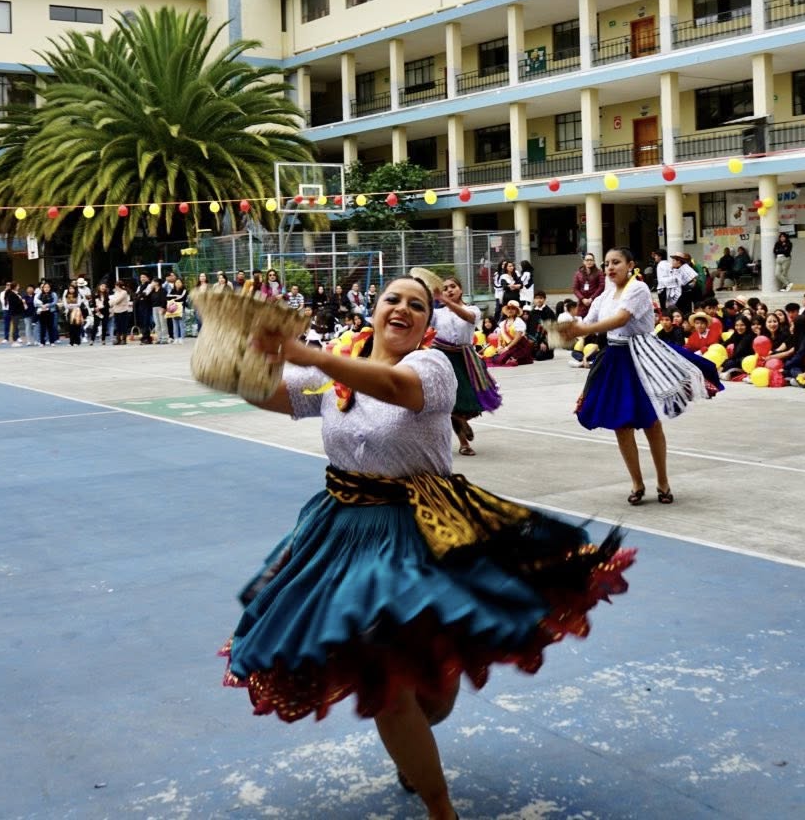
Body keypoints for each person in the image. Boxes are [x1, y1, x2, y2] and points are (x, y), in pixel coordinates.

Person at [223, 276, 633, 817]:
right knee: (389, 686)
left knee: (432, 697)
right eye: (391, 297)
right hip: (345, 534)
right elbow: (266, 391)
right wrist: (233, 354)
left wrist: (305, 352)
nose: (403, 308)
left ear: (426, 322)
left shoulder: (432, 367)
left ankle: (416, 744)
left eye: (417, 305)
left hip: (427, 529)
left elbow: (392, 389)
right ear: (372, 309)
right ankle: (441, 807)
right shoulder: (334, 373)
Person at [563, 247, 719, 505]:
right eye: (607, 263)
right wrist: (569, 327)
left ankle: (663, 482)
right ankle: (637, 483)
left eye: (616, 262)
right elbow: (585, 321)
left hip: (643, 358)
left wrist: (586, 327)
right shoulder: (604, 295)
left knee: (651, 423)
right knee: (621, 426)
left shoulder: (638, 288)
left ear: (630, 264)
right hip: (614, 359)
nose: (611, 267)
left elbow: (621, 319)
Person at [429, 274, 501, 456]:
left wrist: (443, 299)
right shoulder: (437, 314)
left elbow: (467, 317)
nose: (449, 290)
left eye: (452, 286)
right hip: (442, 358)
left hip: (465, 358)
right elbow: (421, 320)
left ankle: (460, 419)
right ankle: (463, 443)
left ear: (460, 289)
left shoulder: (473, 310)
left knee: (467, 400)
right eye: (444, 288)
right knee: (447, 401)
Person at [487, 301, 534, 367]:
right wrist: (499, 346)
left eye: (513, 308)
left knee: (504, 360)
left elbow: (517, 339)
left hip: (520, 346)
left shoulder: (519, 322)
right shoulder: (503, 323)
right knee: (498, 359)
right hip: (509, 346)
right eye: (509, 308)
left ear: (517, 311)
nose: (510, 310)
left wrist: (506, 348)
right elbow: (500, 336)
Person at [572, 252, 605, 317]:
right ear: (584, 262)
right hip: (582, 303)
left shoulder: (599, 273)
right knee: (582, 322)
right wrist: (582, 299)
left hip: (595, 302)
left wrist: (591, 299)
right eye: (587, 260)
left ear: (594, 261)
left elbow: (601, 287)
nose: (589, 262)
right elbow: (575, 288)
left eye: (591, 260)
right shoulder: (578, 274)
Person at [34, 281, 58, 347]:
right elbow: (35, 303)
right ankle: (42, 342)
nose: (46, 288)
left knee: (51, 327)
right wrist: (41, 306)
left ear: (50, 288)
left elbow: (54, 302)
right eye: (45, 287)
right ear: (43, 288)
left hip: (50, 312)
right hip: (42, 312)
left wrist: (47, 305)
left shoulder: (53, 294)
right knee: (42, 328)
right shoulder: (40, 294)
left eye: (48, 287)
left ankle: (52, 342)